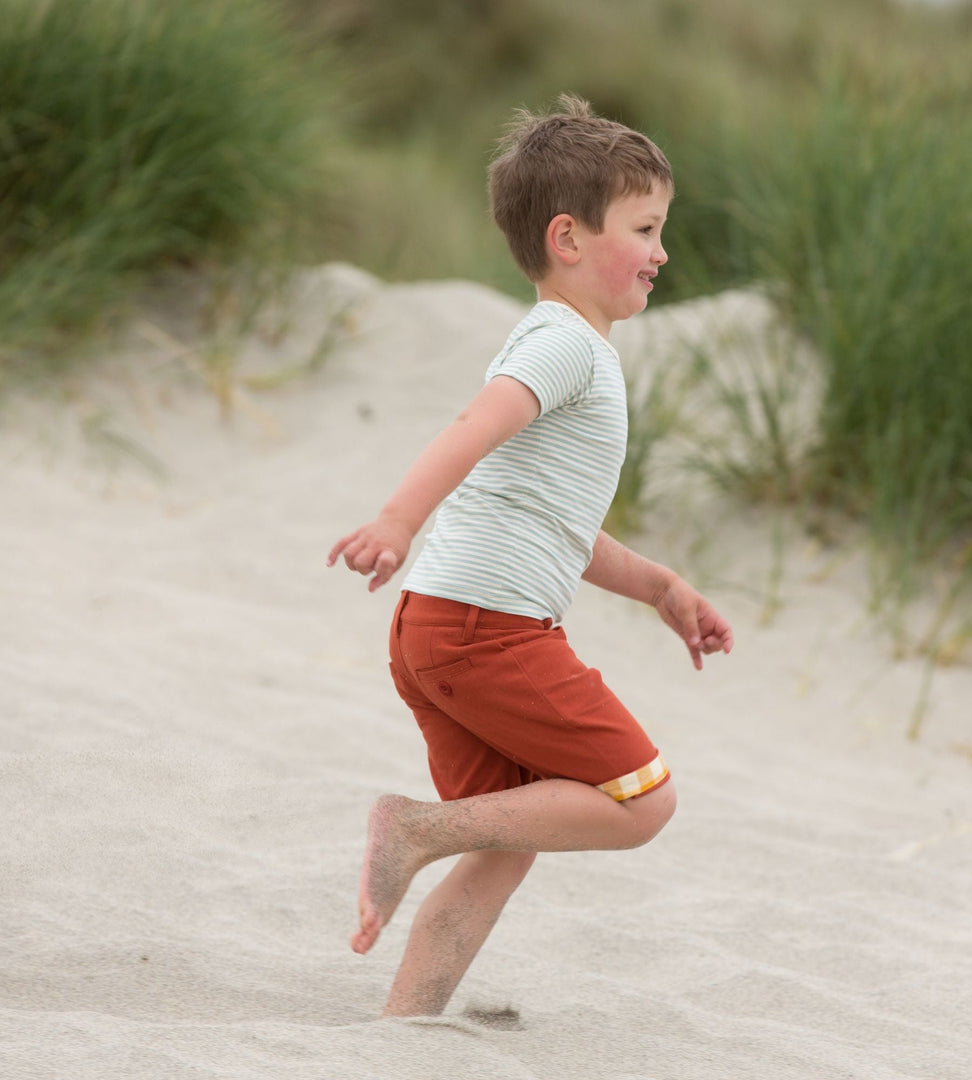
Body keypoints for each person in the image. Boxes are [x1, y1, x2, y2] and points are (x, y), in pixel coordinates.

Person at [326, 93, 734, 1018]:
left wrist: (660, 586)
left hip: (437, 631)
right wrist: (396, 518)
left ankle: (405, 1026)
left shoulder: (567, 347)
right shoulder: (564, 345)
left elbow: (561, 528)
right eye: (646, 227)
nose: (663, 251)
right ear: (568, 238)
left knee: (505, 843)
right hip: (487, 632)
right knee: (643, 802)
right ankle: (415, 827)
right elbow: (476, 426)